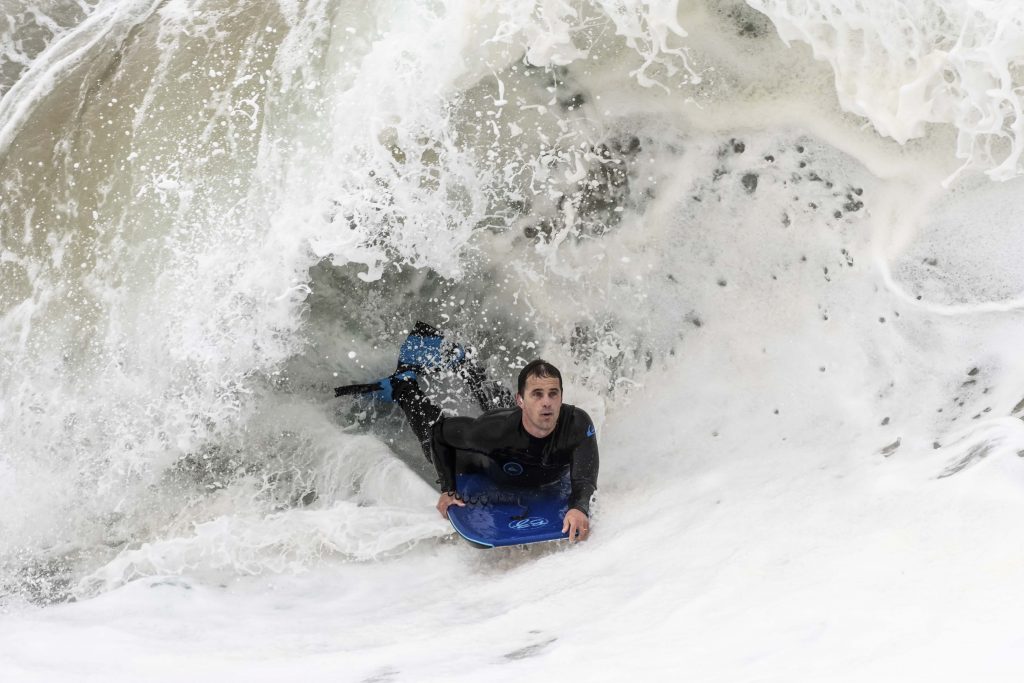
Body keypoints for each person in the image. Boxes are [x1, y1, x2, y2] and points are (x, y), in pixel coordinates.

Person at [335, 322, 599, 541]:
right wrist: (448, 488)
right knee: (434, 442)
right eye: (538, 394)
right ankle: (403, 387)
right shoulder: (492, 432)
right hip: (483, 464)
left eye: (554, 394)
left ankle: (467, 365)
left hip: (516, 422)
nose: (547, 402)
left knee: (500, 403)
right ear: (523, 399)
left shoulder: (576, 424)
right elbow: (441, 434)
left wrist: (579, 507)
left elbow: (585, 476)